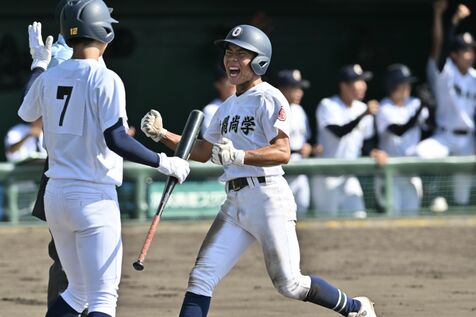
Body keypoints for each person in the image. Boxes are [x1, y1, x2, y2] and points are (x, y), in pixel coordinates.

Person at [141, 24, 377, 317]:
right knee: (201, 277)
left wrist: (240, 155)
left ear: (259, 61)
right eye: (229, 52)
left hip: (268, 197)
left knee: (290, 284)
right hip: (235, 201)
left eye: (241, 53)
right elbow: (203, 151)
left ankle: (356, 308)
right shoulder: (226, 106)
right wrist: (163, 134)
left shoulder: (269, 97)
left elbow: (283, 151)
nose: (231, 59)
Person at [18, 1, 190, 316]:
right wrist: (166, 162)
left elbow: (25, 112)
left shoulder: (50, 76)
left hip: (56, 194)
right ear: (105, 32)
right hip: (92, 197)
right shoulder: (106, 78)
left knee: (76, 292)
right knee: (102, 298)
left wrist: (40, 65)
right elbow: (117, 139)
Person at [416, 1, 476, 206]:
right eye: (464, 50)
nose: (470, 54)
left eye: (471, 50)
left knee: (462, 198)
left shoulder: (475, 78)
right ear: (454, 54)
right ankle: (429, 191)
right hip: (444, 137)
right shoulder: (445, 71)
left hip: (468, 141)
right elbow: (439, 45)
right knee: (420, 154)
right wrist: (451, 20)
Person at [312, 64, 379, 218]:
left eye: (363, 81)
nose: (363, 85)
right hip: (327, 176)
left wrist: (373, 151)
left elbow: (366, 143)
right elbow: (339, 132)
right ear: (344, 85)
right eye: (358, 81)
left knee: (359, 218)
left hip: (349, 175)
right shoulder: (328, 105)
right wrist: (364, 115)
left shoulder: (362, 108)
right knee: (326, 224)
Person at [375, 64, 429, 214]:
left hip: (411, 172)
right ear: (392, 85)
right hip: (390, 173)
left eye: (408, 83)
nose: (407, 86)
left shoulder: (414, 103)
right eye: (402, 83)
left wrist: (430, 106)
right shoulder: (384, 107)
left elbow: (429, 128)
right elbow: (399, 130)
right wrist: (420, 109)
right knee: (392, 217)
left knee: (412, 218)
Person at [275, 69, 312, 216]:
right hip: (279, 172)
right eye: (294, 88)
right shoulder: (271, 109)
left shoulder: (299, 110)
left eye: (300, 88)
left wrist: (309, 147)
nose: (299, 92)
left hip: (299, 170)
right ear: (281, 89)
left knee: (302, 208)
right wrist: (297, 150)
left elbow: (306, 138)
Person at [201, 67, 236, 136]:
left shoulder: (248, 104)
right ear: (217, 84)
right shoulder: (211, 110)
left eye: (234, 77)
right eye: (227, 78)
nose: (231, 83)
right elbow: (209, 142)